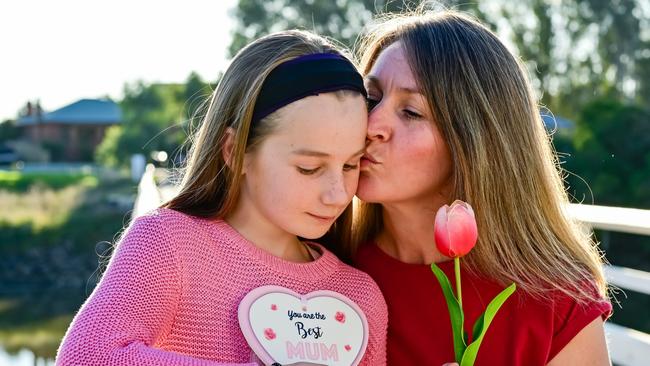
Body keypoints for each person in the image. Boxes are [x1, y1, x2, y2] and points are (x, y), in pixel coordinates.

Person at [56, 30, 387, 365]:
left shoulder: (360, 296)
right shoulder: (169, 244)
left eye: (350, 164)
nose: (338, 193)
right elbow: (87, 355)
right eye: (309, 167)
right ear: (235, 151)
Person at [351, 10, 612, 366]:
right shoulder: (317, 266)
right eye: (371, 98)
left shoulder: (556, 301)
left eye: (411, 112)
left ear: (475, 141)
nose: (372, 124)